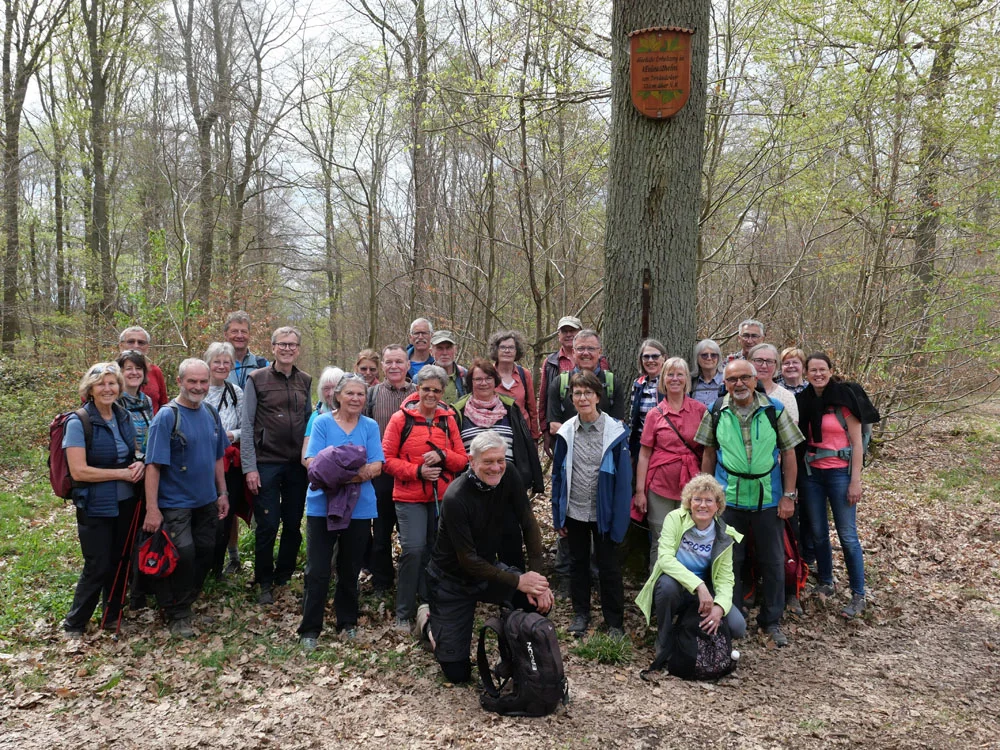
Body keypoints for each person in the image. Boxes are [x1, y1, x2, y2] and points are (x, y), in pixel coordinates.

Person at [419, 431, 552, 683]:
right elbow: (468, 560)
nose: (496, 467)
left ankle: (514, 656)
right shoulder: (456, 497)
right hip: (451, 581)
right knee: (456, 674)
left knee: (537, 602)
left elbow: (528, 523)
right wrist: (517, 580)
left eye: (500, 460)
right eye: (488, 462)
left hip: (488, 569)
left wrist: (537, 580)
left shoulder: (509, 474)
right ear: (472, 461)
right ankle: (428, 622)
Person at [695, 359, 804, 647]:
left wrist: (789, 495)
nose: (739, 384)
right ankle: (731, 616)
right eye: (733, 380)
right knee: (730, 561)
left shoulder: (774, 410)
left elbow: (790, 455)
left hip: (768, 499)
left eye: (745, 378)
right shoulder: (716, 410)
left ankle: (771, 620)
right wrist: (706, 495)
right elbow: (708, 452)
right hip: (727, 500)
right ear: (725, 383)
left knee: (773, 560)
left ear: (755, 380)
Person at [142, 359, 229, 637]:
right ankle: (176, 613)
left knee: (206, 551)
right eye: (192, 381)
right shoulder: (167, 416)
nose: (198, 387)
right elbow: (153, 465)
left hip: (206, 500)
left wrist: (222, 492)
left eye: (203, 382)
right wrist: (152, 509)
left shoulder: (211, 413)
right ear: (179, 381)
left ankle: (187, 603)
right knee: (183, 554)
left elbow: (218, 457)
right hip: (174, 502)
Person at [298, 374, 384, 649]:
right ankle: (310, 629)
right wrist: (350, 472)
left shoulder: (370, 426)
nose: (355, 399)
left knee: (350, 568)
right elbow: (312, 463)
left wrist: (336, 474)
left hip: (360, 508)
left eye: (360, 394)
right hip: (322, 506)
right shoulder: (322, 423)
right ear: (337, 395)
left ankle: (347, 622)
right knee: (318, 569)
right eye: (350, 393)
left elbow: (376, 466)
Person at [381, 365, 468, 630]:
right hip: (409, 497)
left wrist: (443, 455)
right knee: (414, 550)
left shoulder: (448, 419)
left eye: (436, 390)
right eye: (426, 388)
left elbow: (463, 460)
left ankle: (428, 603)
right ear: (417, 389)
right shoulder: (400, 419)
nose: (431, 394)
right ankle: (404, 611)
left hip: (442, 498)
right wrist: (418, 471)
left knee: (435, 550)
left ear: (443, 393)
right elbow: (386, 460)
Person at [62, 362, 145, 637]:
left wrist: (138, 465)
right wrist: (121, 473)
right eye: (101, 384)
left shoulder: (122, 416)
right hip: (94, 503)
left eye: (112, 383)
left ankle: (112, 616)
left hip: (126, 502)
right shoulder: (79, 421)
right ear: (90, 389)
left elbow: (131, 452)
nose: (108, 389)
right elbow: (79, 470)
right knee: (97, 564)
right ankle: (75, 622)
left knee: (121, 559)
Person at [550, 371, 632, 639]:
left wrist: (620, 521)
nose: (582, 398)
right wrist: (558, 515)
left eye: (588, 393)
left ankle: (614, 622)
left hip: (604, 512)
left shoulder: (615, 433)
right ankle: (580, 614)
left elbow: (623, 483)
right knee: (578, 563)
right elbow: (558, 475)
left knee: (609, 567)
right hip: (574, 510)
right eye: (577, 393)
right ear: (571, 398)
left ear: (598, 396)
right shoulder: (565, 432)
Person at [635, 474, 747, 668]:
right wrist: (698, 585)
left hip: (704, 593)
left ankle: (694, 635)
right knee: (667, 587)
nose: (702, 505)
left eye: (708, 501)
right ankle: (664, 640)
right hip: (678, 586)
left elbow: (726, 579)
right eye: (697, 499)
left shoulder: (725, 534)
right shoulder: (674, 519)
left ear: (718, 506)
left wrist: (719, 607)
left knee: (738, 626)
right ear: (689, 502)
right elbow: (665, 559)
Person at [242, 326, 313, 605]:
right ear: (272, 347)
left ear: (298, 349)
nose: (287, 349)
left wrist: (310, 460)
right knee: (268, 524)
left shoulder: (304, 380)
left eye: (292, 345)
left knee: (293, 523)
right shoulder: (256, 379)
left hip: (296, 464)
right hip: (265, 463)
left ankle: (284, 574)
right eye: (282, 344)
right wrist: (249, 467)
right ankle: (264, 581)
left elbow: (309, 423)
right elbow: (247, 425)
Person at [454, 358, 544, 570]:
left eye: (487, 378)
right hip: (472, 485)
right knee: (476, 539)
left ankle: (514, 587)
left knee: (510, 536)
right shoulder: (459, 410)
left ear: (495, 380)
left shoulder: (509, 407)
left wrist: (530, 476)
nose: (483, 383)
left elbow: (524, 443)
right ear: (470, 382)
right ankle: (479, 586)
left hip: (506, 482)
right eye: (478, 379)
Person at [796, 353, 868, 619]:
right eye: (812, 370)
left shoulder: (843, 401)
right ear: (806, 373)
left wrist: (855, 480)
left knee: (847, 535)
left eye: (822, 369)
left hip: (840, 474)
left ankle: (858, 593)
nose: (818, 374)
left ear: (830, 370)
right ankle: (826, 580)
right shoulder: (803, 401)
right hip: (811, 473)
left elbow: (857, 443)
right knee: (817, 532)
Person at [632, 357, 707, 568]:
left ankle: (688, 590)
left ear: (686, 379)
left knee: (691, 539)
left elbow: (707, 451)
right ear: (663, 379)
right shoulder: (655, 415)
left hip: (692, 486)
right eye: (670, 374)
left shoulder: (700, 410)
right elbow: (644, 454)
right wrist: (640, 491)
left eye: (680, 374)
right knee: (661, 539)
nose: (675, 379)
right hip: (660, 487)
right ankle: (657, 591)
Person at [362, 345, 416, 593]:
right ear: (382, 366)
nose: (394, 366)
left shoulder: (420, 393)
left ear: (407, 365)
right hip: (381, 473)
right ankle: (382, 580)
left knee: (412, 532)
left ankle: (413, 579)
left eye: (399, 362)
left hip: (414, 473)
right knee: (381, 529)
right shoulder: (370, 395)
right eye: (389, 362)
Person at [203, 342, 246, 578]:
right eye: (217, 361)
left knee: (225, 513)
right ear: (208, 363)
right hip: (201, 462)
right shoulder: (198, 389)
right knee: (203, 513)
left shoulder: (236, 392)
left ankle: (218, 567)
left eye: (226, 362)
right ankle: (201, 565)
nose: (221, 366)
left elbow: (245, 427)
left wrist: (232, 435)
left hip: (229, 461)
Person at [546, 329, 626, 433]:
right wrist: (582, 441)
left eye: (591, 348)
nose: (586, 353)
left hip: (604, 447)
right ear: (573, 352)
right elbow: (554, 426)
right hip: (569, 447)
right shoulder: (560, 383)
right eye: (580, 349)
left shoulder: (612, 382)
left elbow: (618, 424)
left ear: (600, 352)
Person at [538, 315, 582, 451]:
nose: (568, 335)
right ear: (559, 335)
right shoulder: (551, 362)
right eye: (564, 331)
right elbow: (544, 398)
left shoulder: (594, 359)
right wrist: (545, 431)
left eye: (572, 331)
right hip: (560, 429)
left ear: (580, 332)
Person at [489, 329, 540, 440]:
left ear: (517, 351)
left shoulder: (524, 374)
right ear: (496, 350)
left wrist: (534, 437)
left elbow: (532, 409)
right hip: (495, 434)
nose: (507, 351)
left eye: (511, 347)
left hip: (522, 434)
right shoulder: (488, 374)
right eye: (503, 347)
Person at [627, 338, 666, 460]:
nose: (650, 360)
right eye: (646, 357)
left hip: (664, 445)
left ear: (663, 358)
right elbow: (633, 418)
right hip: (641, 444)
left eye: (655, 356)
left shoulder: (670, 383)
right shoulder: (638, 384)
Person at [118, 326, 168, 413]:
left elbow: (164, 405)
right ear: (121, 345)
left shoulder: (155, 371)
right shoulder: (108, 372)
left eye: (141, 342)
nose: (136, 345)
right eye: (131, 342)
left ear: (147, 347)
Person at [115, 349, 153, 457]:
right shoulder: (114, 402)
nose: (134, 373)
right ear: (120, 372)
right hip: (124, 463)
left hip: (146, 459)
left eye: (138, 368)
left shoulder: (146, 400)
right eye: (129, 369)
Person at [748, 343, 799, 423]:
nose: (764, 366)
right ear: (749, 362)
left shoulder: (786, 397)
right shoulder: (740, 392)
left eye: (769, 361)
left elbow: (790, 433)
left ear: (776, 365)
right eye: (759, 360)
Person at [224, 311, 268, 389]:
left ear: (249, 335)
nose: (240, 336)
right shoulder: (216, 366)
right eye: (234, 331)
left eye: (244, 332)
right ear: (226, 335)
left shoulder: (262, 365)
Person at [430, 330, 467, 404]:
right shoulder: (421, 379)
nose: (445, 353)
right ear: (431, 352)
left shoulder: (465, 375)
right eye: (440, 348)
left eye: (448, 348)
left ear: (455, 350)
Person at [690, 339, 724, 408]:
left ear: (718, 358)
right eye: (704, 355)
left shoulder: (726, 381)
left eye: (713, 355)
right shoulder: (691, 382)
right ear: (697, 358)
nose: (709, 358)